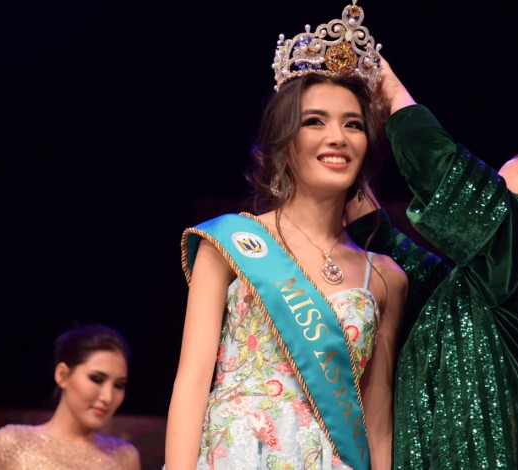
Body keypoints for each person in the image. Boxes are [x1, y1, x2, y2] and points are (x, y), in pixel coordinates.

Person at [164, 3, 407, 469]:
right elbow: (192, 382)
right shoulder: (233, 242)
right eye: (315, 121)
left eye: (353, 124)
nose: (338, 137)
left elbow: (376, 422)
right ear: (285, 138)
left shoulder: (385, 277)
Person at [343, 55, 518, 468]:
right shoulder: (497, 286)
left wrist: (391, 94)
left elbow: (447, 177)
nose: (488, 189)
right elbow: (416, 273)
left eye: (500, 185)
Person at [0, 323, 141, 470]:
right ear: (62, 375)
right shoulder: (12, 443)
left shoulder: (123, 457)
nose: (108, 396)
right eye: (97, 379)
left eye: (119, 385)